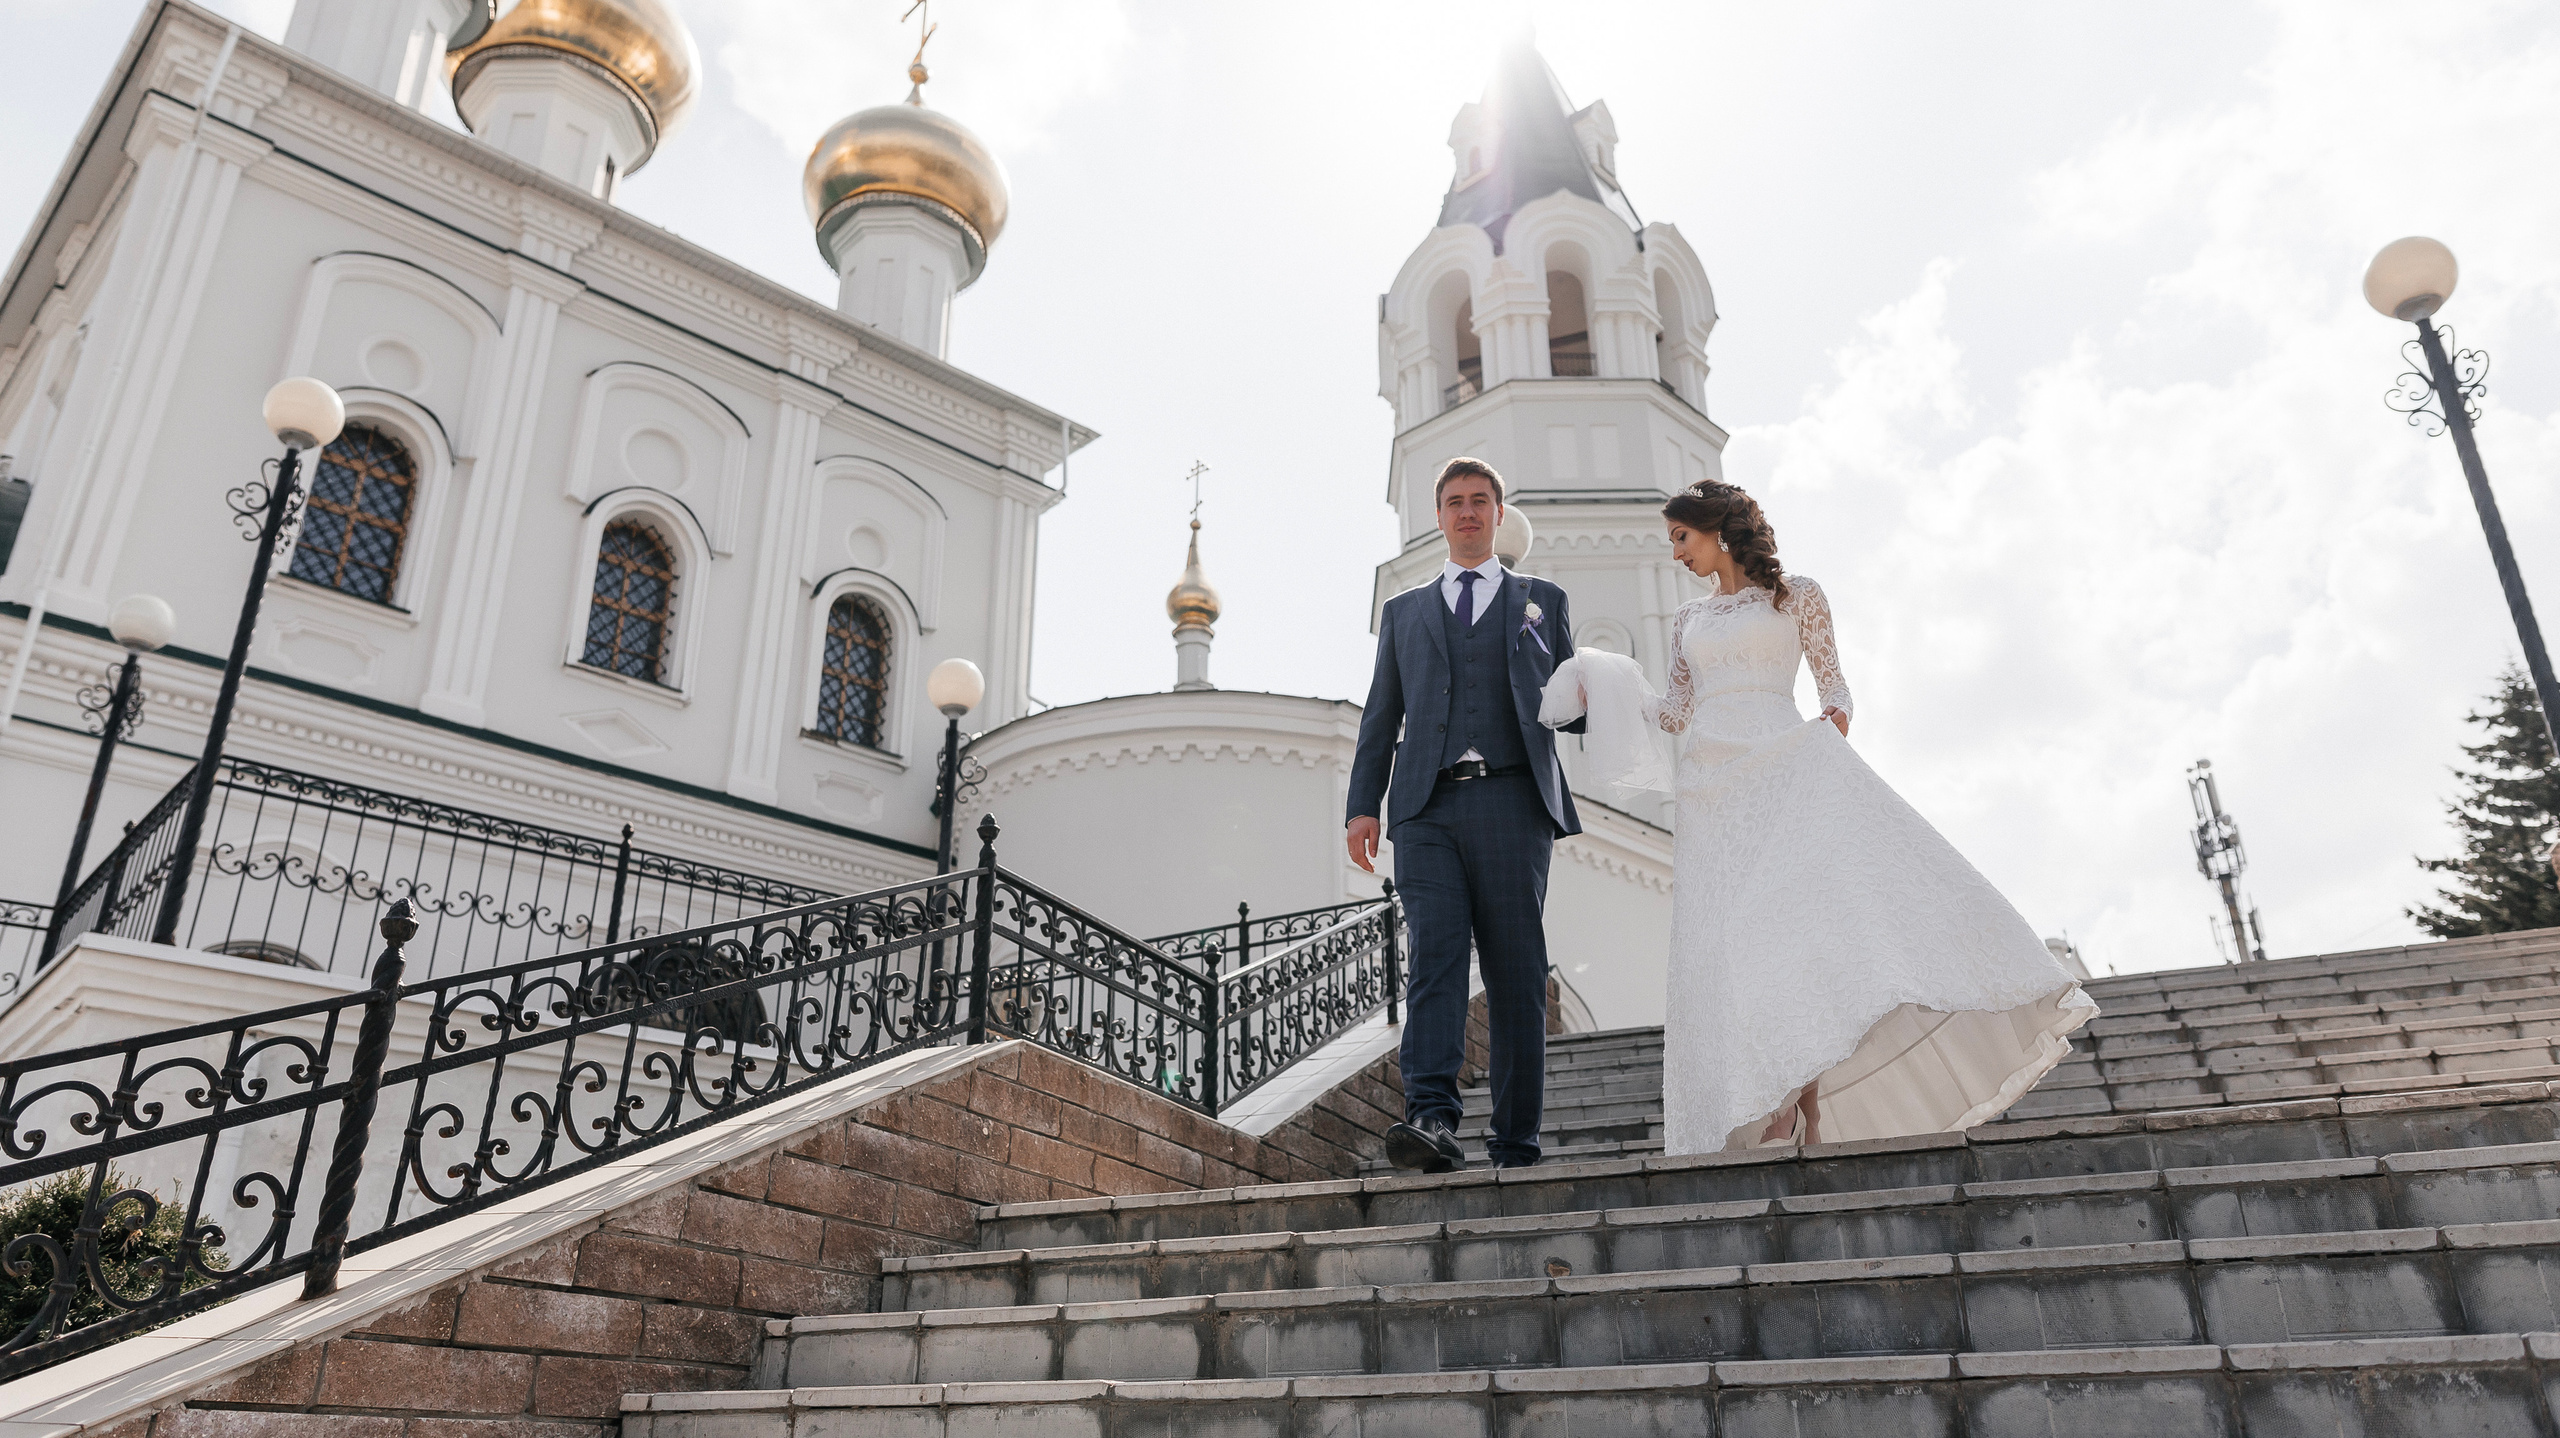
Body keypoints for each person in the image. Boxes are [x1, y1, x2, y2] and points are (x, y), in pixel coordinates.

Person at [1544, 481, 2095, 1153]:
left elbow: (1834, 683)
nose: (1676, 554)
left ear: (1717, 530)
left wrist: (1835, 721)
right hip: (1713, 791)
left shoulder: (1796, 594)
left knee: (1791, 939)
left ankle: (1791, 1107)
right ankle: (1793, 1107)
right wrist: (1605, 681)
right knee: (1741, 948)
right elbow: (1674, 713)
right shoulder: (1689, 621)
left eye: (1681, 538)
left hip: (1784, 770)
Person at [1347, 457, 1582, 1171]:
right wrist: (1364, 806)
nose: (1468, 513)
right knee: (1435, 960)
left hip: (1514, 801)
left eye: (1481, 501)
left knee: (1516, 970)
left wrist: (1602, 693)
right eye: (1455, 503)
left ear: (1499, 514)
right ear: (1440, 516)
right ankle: (1431, 1117)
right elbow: (1382, 714)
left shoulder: (1543, 600)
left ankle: (1516, 1138)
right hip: (1426, 806)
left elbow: (1572, 710)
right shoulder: (1405, 612)